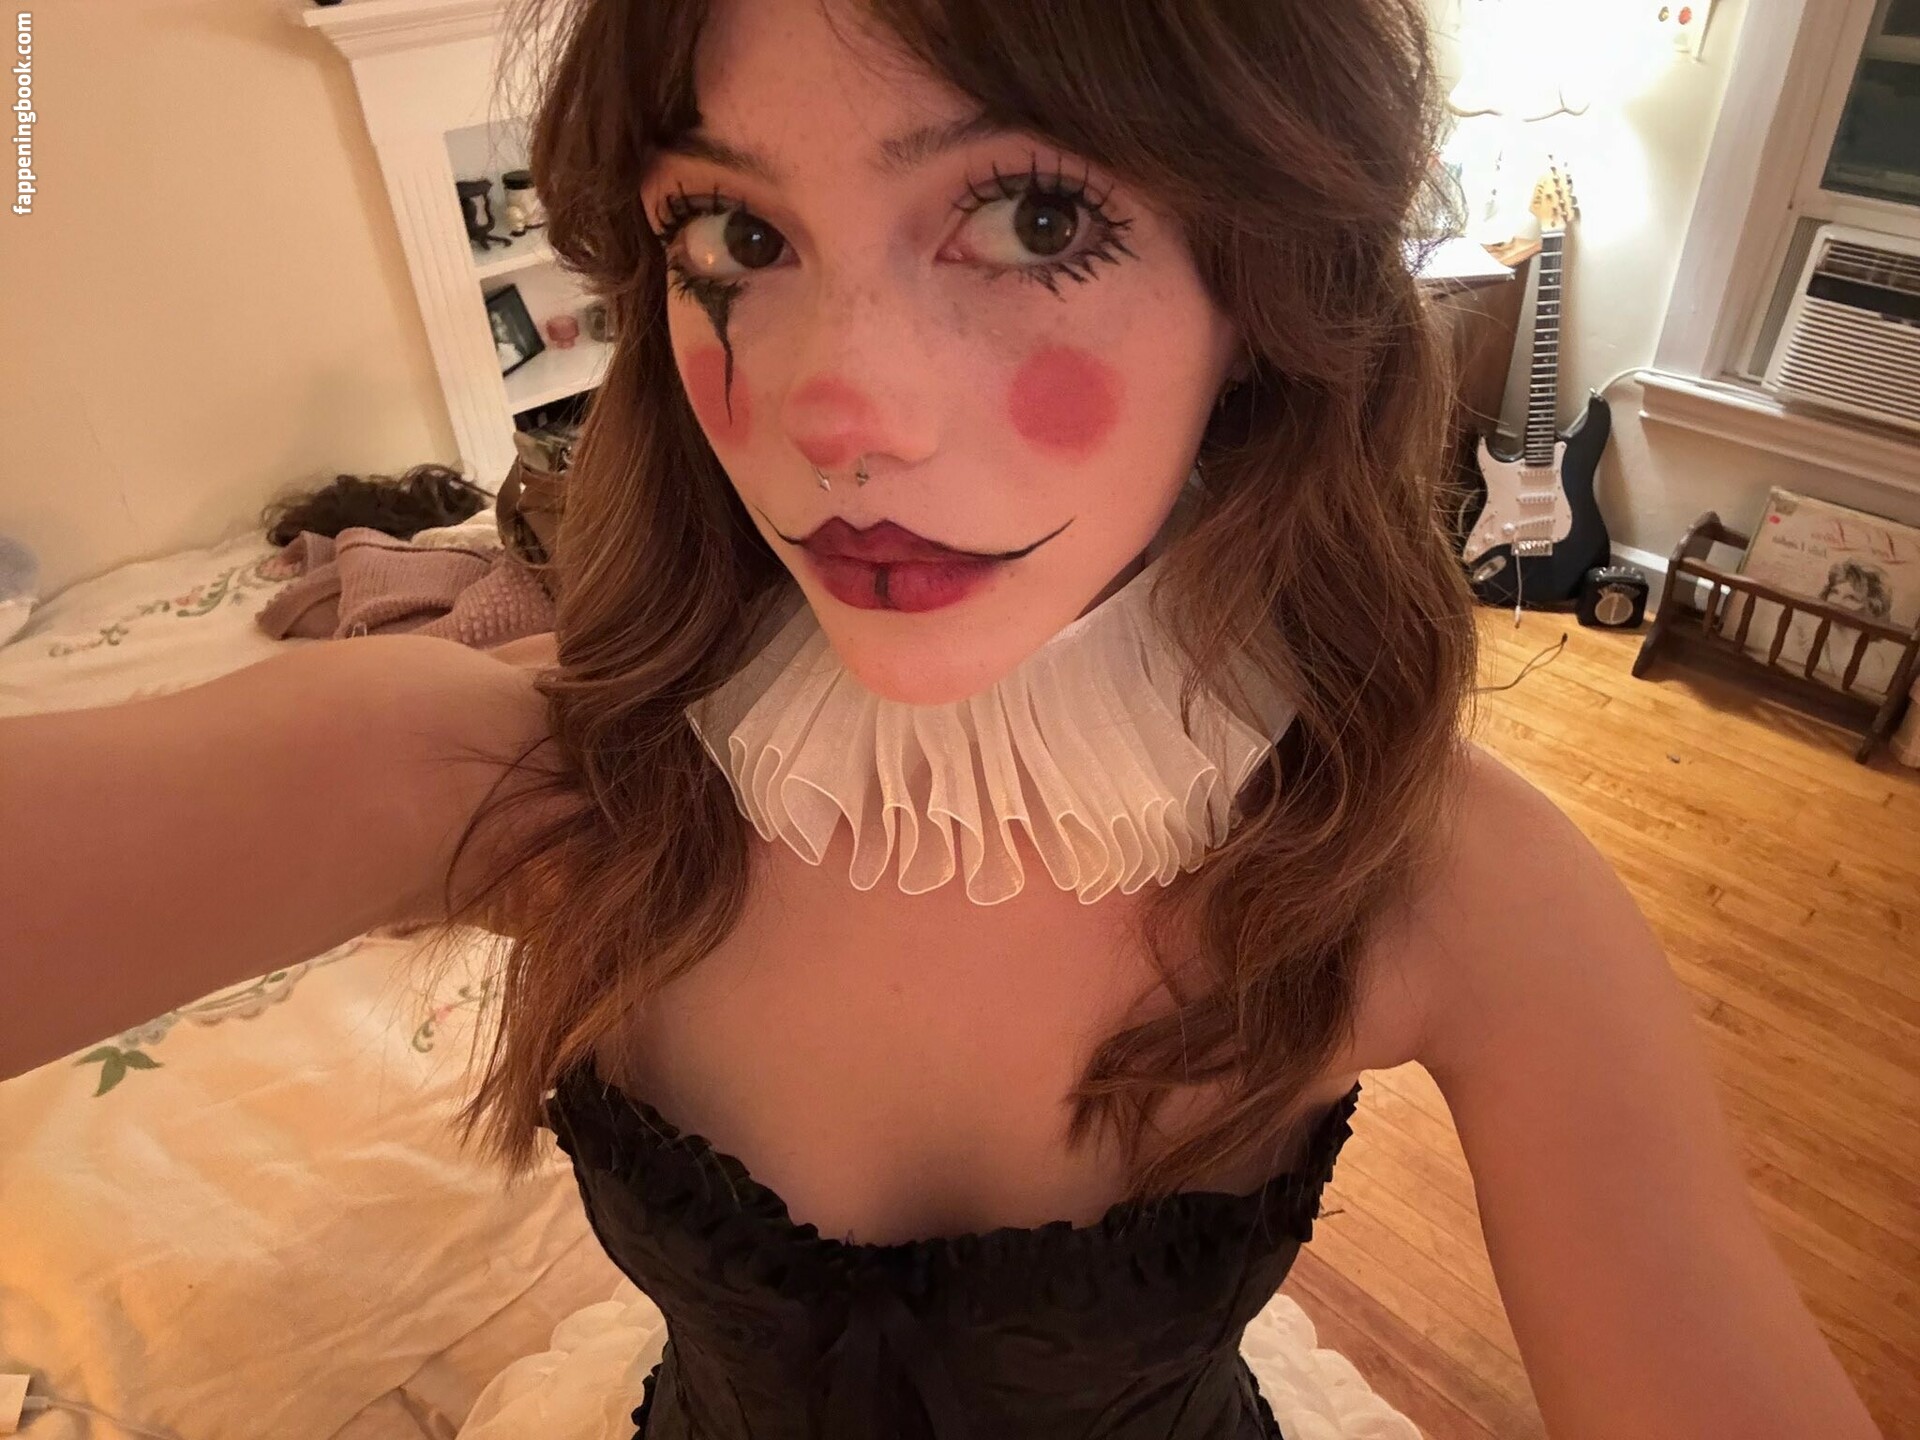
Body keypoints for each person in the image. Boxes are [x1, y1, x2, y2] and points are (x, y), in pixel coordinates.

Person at [0, 0, 1885, 1436]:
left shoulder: (1452, 890)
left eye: (1033, 214)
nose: (843, 415)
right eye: (734, 238)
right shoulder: (527, 780)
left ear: (1262, 284)